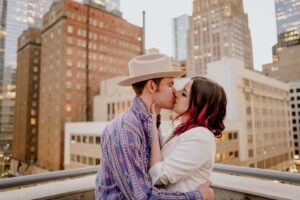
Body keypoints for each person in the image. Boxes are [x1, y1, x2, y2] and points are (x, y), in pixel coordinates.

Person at [95, 54, 214, 199]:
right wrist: (197, 196)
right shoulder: (126, 129)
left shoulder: (151, 124)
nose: (175, 91)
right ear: (151, 86)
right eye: (170, 84)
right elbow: (143, 197)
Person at [149, 77, 227, 192]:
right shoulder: (182, 130)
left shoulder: (201, 137)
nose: (176, 92)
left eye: (184, 94)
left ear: (198, 107)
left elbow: (158, 176)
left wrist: (153, 123)